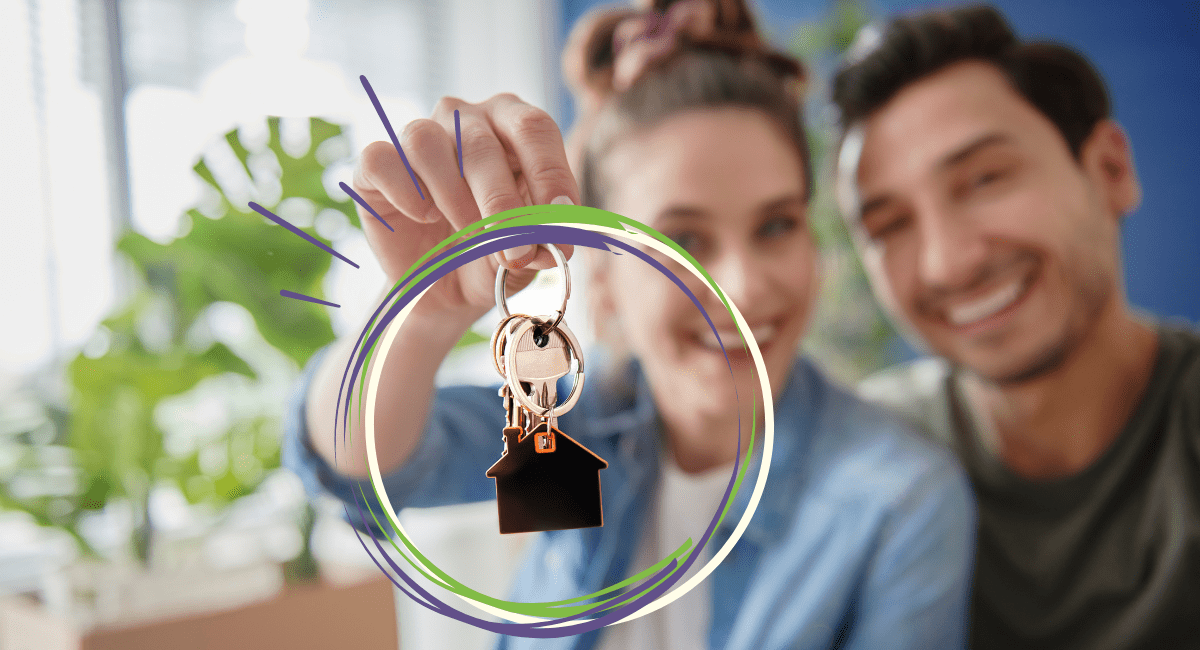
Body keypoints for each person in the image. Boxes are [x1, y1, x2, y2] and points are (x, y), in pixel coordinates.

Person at [283, 1, 976, 648]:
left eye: (776, 224)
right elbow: (362, 470)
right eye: (685, 239)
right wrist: (423, 314)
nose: (743, 286)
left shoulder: (896, 501)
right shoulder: (569, 428)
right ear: (605, 281)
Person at [831, 5, 1200, 649]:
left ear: (1110, 171)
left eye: (984, 180)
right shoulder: (863, 457)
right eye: (890, 226)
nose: (948, 264)